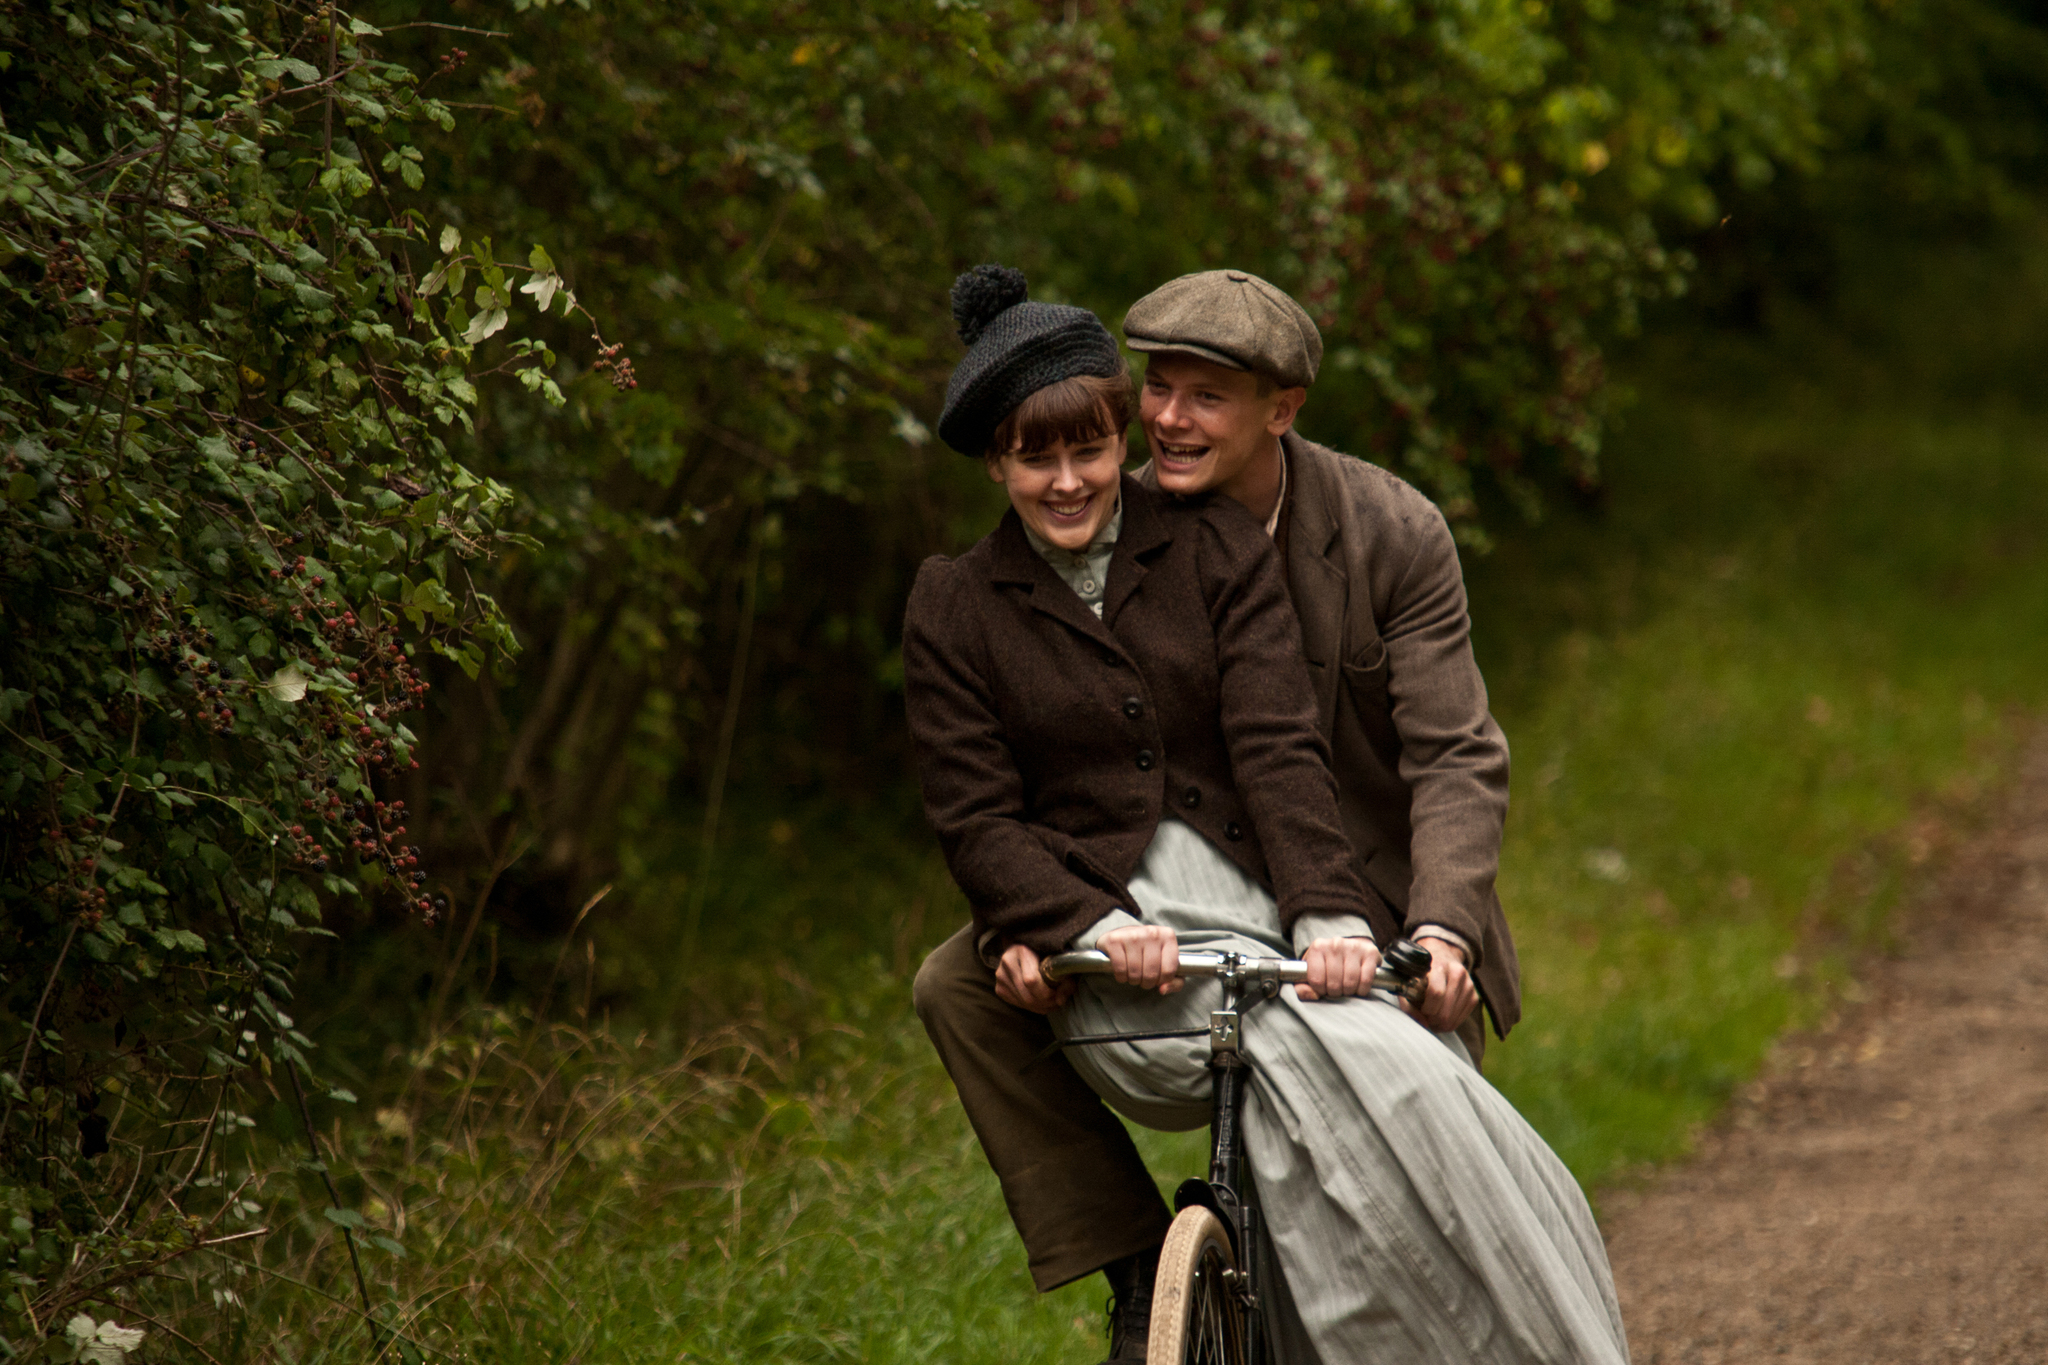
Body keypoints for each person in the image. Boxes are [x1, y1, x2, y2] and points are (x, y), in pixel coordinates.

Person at [904, 266, 1625, 1363]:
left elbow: (1446, 756)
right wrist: (1042, 926)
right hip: (1141, 887)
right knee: (953, 983)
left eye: (1205, 397)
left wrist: (1430, 932)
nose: (1166, 421)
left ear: (1279, 410)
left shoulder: (1389, 530)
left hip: (1367, 880)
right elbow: (1005, 800)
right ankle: (1133, 1269)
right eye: (1158, 390)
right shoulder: (1058, 539)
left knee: (1421, 1142)